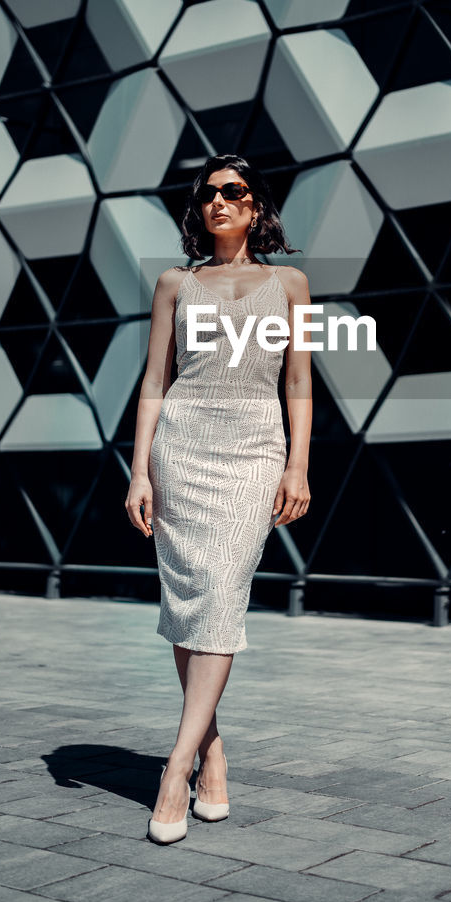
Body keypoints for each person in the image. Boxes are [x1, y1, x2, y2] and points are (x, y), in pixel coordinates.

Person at [125, 153, 313, 844]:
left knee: (221, 589)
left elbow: (299, 383)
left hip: (254, 452)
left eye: (234, 192)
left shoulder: (291, 284)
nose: (220, 202)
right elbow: (153, 382)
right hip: (181, 447)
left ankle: (174, 766)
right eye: (208, 194)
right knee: (190, 599)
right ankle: (210, 753)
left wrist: (297, 466)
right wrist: (140, 470)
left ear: (256, 206)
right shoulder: (175, 283)